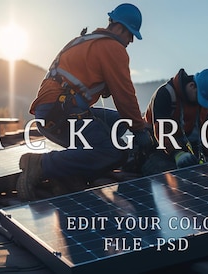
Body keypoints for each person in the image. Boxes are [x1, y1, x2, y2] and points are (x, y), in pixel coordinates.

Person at [17, 3, 154, 201]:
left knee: (118, 122)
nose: (130, 41)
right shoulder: (113, 47)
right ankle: (40, 164)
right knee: (114, 152)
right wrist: (139, 128)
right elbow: (125, 95)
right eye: (130, 34)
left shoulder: (86, 41)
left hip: (53, 111)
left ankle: (70, 175)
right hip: (59, 114)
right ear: (120, 28)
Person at [140, 68, 208, 176]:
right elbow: (162, 131)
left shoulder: (203, 99)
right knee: (172, 173)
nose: (200, 103)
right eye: (199, 98)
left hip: (183, 145)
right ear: (192, 85)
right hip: (156, 146)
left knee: (202, 170)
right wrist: (177, 154)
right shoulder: (165, 94)